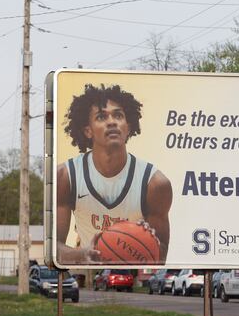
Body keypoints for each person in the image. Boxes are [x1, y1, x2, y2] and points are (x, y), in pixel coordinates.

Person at [57, 84, 172, 264]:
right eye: (102, 117)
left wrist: (148, 241)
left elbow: (161, 255)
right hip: (87, 273)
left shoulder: (155, 183)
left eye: (118, 115)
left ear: (128, 127)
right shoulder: (65, 176)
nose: (112, 122)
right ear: (88, 130)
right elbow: (53, 248)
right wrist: (82, 254)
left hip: (131, 275)